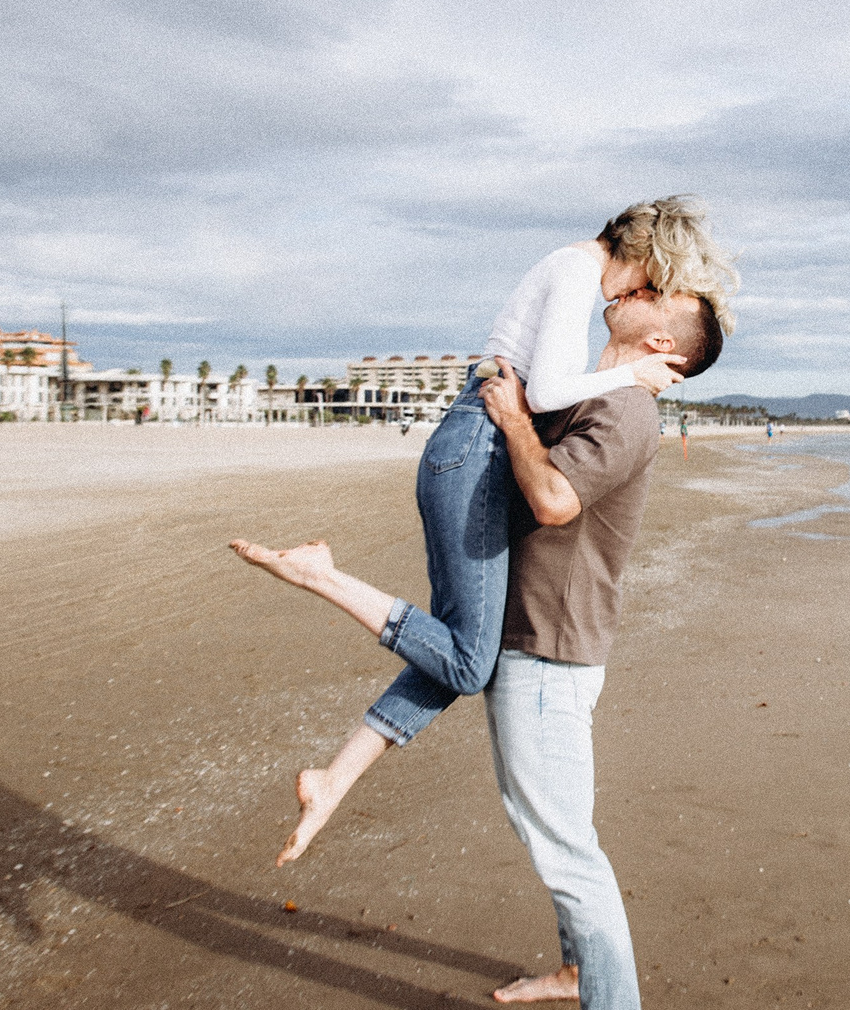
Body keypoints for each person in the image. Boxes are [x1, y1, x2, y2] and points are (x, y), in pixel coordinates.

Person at [233, 287, 721, 1010]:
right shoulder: (598, 393)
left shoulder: (630, 410)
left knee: (565, 845)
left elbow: (556, 498)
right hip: (538, 638)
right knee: (557, 826)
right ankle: (577, 971)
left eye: (654, 292)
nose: (633, 288)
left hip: (550, 647)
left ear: (665, 339)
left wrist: (516, 420)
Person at [229, 197, 736, 866]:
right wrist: (630, 373)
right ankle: (321, 575)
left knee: (464, 651)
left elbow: (552, 395)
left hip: (480, 446)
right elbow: (551, 388)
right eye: (649, 280)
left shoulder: (579, 278)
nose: (640, 292)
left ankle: (334, 777)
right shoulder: (575, 271)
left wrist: (624, 381)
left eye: (651, 291)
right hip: (475, 443)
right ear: (645, 252)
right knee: (470, 658)